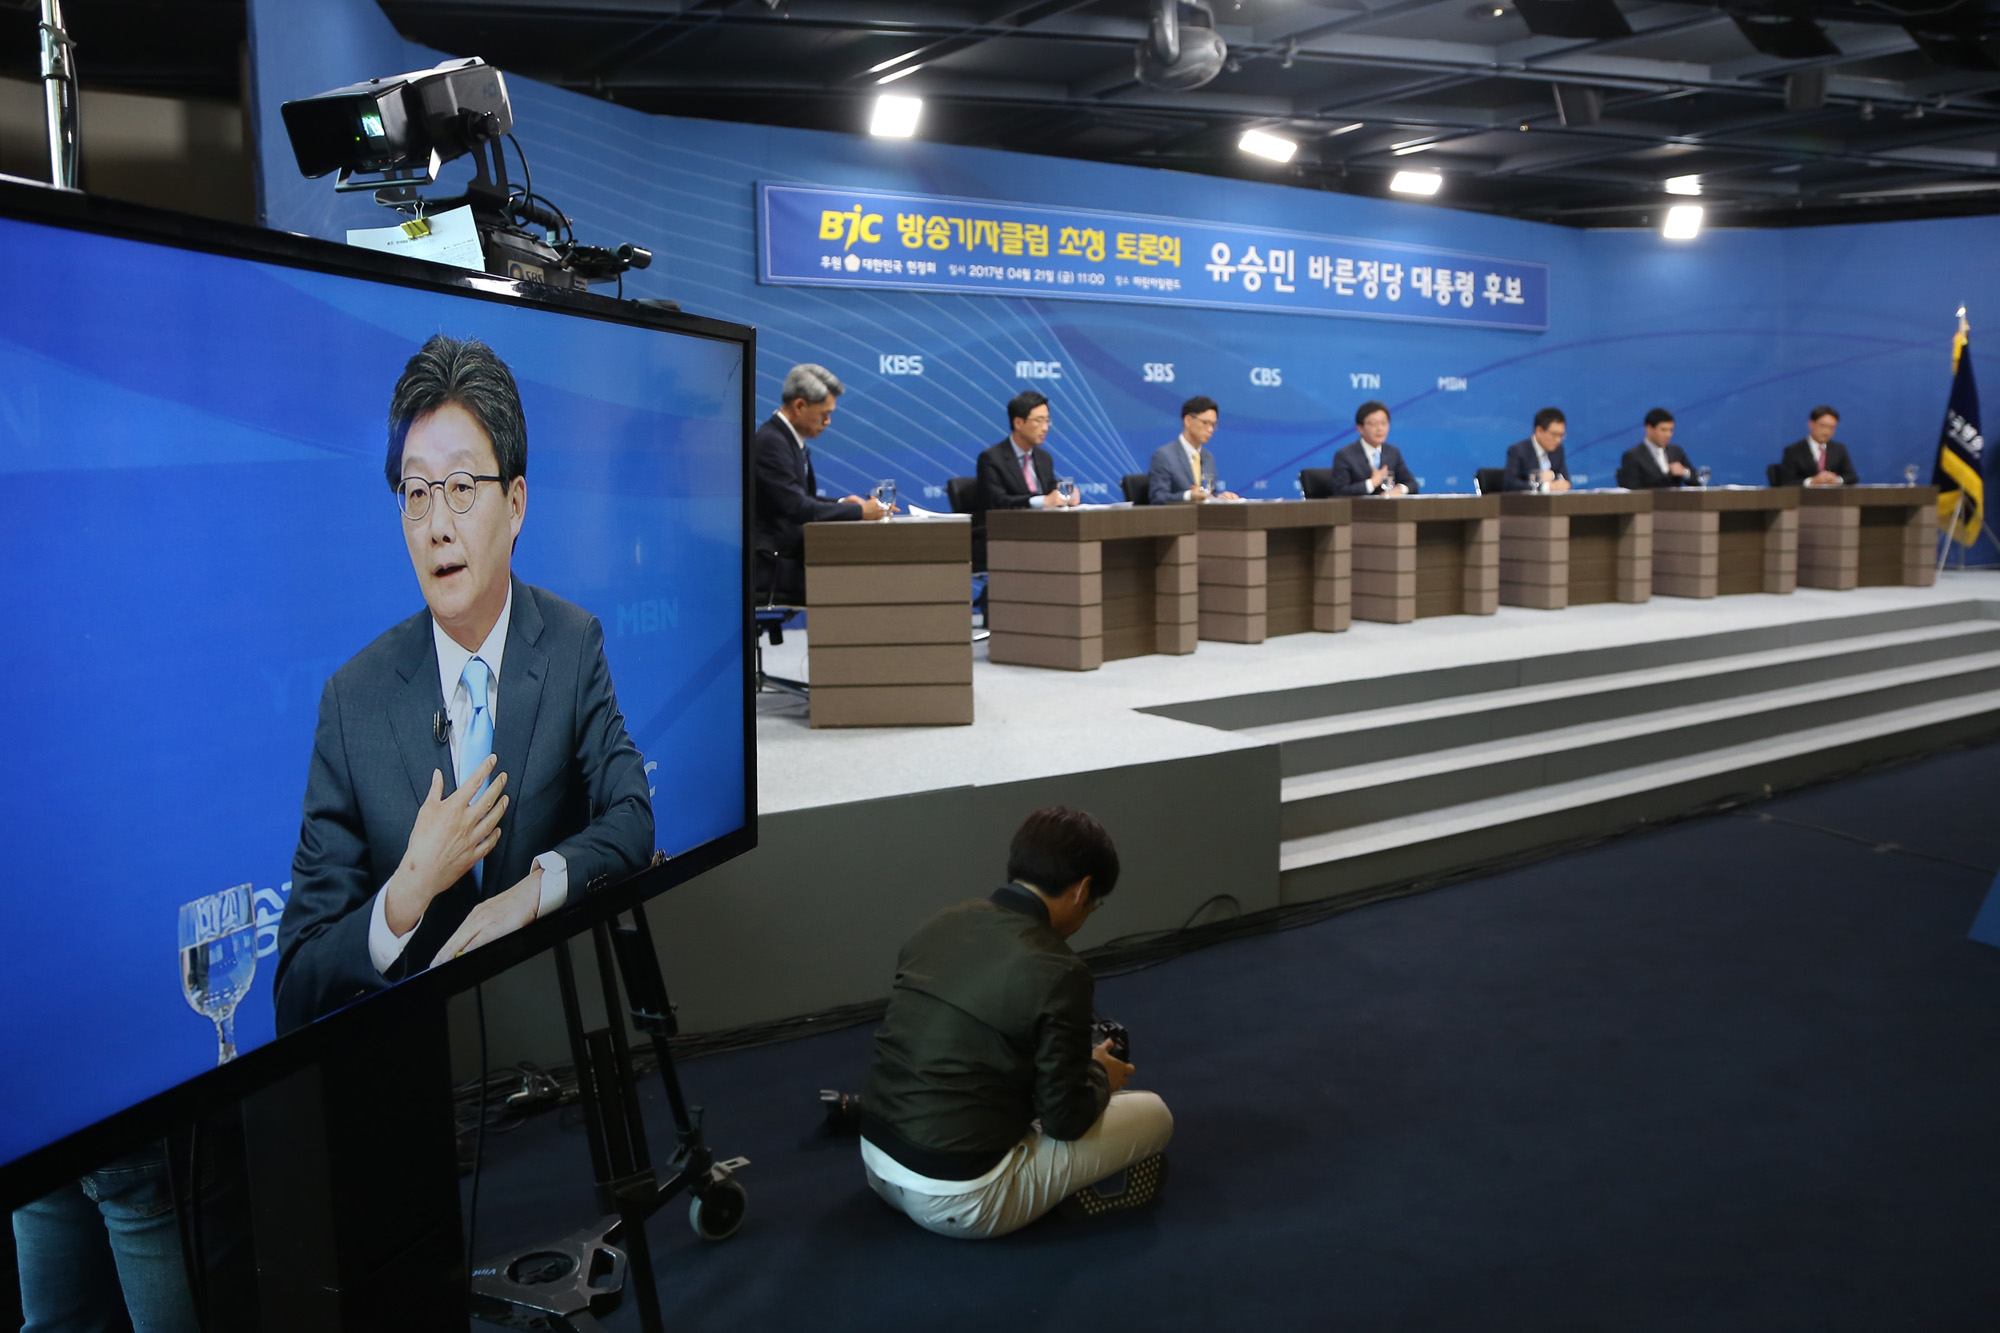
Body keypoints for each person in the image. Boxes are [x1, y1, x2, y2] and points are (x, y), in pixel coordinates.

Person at [273, 335, 655, 1033]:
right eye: (415, 495)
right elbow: (297, 984)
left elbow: (632, 816)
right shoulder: (352, 700)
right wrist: (407, 891)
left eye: (458, 488)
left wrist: (529, 893)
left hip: (560, 1040)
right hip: (420, 1074)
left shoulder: (572, 643)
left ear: (514, 505)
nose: (437, 526)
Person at [859, 807, 1173, 1239]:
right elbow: (1065, 1120)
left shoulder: (942, 922)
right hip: (958, 1199)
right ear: (1082, 891)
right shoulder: (1060, 969)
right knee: (1155, 1115)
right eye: (1094, 906)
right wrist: (1101, 1074)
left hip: (877, 1164)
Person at [753, 363, 890, 602]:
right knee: (861, 584)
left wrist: (842, 503)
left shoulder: (787, 439)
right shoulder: (772, 443)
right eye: (824, 414)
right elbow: (796, 507)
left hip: (790, 555)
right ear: (799, 405)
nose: (827, 422)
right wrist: (859, 511)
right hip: (775, 563)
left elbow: (801, 498)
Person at [976, 391, 1080, 513]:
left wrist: (1065, 497)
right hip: (1008, 528)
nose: (1045, 428)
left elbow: (1051, 492)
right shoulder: (992, 458)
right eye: (1039, 420)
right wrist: (1041, 501)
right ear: (1018, 423)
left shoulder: (1044, 458)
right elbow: (997, 502)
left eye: (1047, 421)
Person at [1147, 395, 1237, 504]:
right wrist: (1188, 495)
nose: (1210, 429)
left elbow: (1209, 494)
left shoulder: (1208, 457)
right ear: (1188, 421)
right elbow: (1158, 497)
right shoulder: (1164, 456)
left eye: (1213, 425)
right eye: (1205, 423)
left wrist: (1220, 498)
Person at [1330, 400, 1418, 496]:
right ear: (1360, 428)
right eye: (1373, 424)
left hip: (1389, 509)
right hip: (1358, 509)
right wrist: (1372, 483)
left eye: (1384, 423)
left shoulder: (1392, 452)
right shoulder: (1345, 455)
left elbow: (1412, 484)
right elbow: (1340, 491)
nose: (1380, 428)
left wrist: (1399, 489)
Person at [1775, 405, 1859, 486]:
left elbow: (1852, 477)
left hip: (1833, 498)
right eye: (1823, 426)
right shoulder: (1793, 450)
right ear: (1811, 424)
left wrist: (1837, 480)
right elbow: (1787, 482)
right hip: (1804, 498)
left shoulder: (1839, 449)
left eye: (1832, 427)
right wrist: (1812, 481)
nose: (1827, 432)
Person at [1616, 407, 1697, 489]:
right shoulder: (1632, 456)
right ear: (1649, 428)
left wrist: (1684, 472)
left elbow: (1697, 481)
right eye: (1663, 430)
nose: (1668, 434)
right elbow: (1631, 491)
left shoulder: (1676, 451)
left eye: (1671, 430)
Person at [1504, 406, 1572, 492]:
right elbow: (1510, 484)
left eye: (1561, 435)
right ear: (1539, 430)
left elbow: (1565, 479)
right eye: (1554, 434)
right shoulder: (1518, 451)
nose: (1558, 440)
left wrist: (1557, 480)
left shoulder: (1558, 450)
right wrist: (1545, 487)